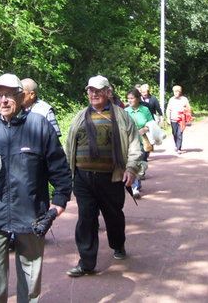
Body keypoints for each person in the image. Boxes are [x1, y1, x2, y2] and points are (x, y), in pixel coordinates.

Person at [0, 73, 72, 303]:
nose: (3, 100)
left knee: (30, 274)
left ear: (22, 97)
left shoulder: (39, 125)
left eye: (9, 95)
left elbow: (59, 165)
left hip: (32, 212)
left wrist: (60, 199)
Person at [65, 75, 141, 277]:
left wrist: (132, 169)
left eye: (99, 91)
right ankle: (86, 262)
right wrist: (66, 174)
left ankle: (118, 244)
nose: (94, 94)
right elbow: (69, 147)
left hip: (112, 178)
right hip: (83, 178)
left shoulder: (123, 116)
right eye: (91, 90)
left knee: (113, 216)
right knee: (86, 218)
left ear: (108, 92)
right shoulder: (79, 117)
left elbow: (134, 145)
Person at [125, 87, 154, 198]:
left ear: (138, 99)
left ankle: (137, 182)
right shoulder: (126, 111)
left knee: (141, 162)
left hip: (143, 141)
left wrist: (145, 128)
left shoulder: (145, 110)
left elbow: (151, 123)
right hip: (130, 142)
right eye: (128, 98)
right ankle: (135, 187)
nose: (130, 101)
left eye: (132, 98)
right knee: (133, 162)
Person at [166, 85, 192, 153]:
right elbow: (168, 109)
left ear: (180, 92)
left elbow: (188, 109)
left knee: (179, 134)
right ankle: (176, 145)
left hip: (181, 120)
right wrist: (168, 118)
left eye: (177, 92)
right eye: (175, 92)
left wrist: (188, 117)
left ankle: (179, 148)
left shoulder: (184, 99)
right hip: (173, 119)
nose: (176, 93)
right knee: (174, 133)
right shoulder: (171, 99)